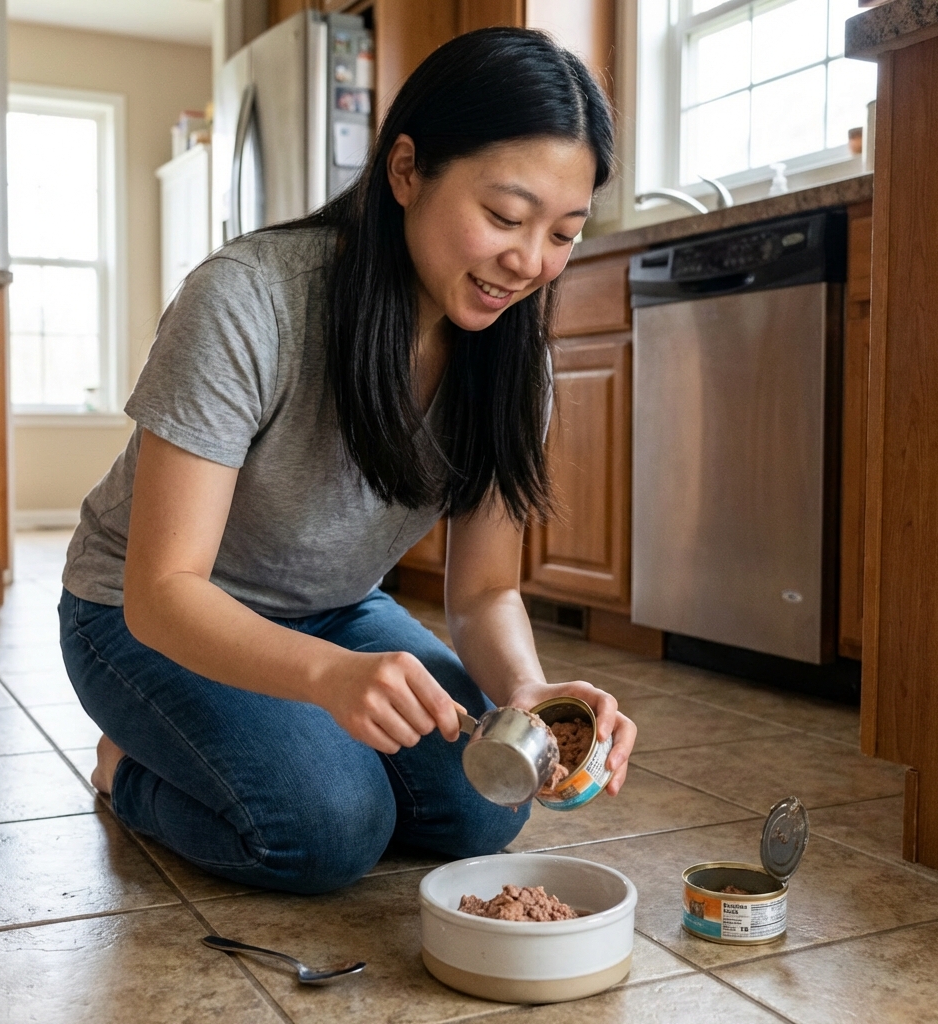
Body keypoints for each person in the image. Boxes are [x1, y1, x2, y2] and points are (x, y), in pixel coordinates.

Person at [58, 27, 637, 895]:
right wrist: (330, 679)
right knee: (329, 827)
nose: (529, 264)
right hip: (137, 618)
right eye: (505, 218)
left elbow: (484, 592)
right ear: (406, 170)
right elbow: (162, 591)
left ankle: (258, 745)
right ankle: (126, 769)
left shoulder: (517, 363)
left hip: (331, 610)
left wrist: (528, 696)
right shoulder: (248, 300)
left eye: (564, 233)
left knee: (485, 806)